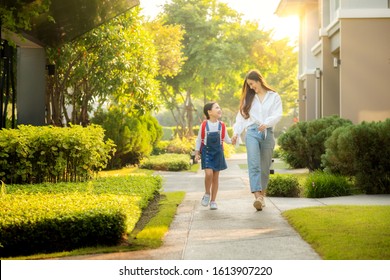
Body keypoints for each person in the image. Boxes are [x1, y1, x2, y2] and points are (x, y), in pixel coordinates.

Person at [232, 69, 282, 211]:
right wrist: (236, 133)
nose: (251, 87)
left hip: (267, 132)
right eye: (249, 85)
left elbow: (278, 114)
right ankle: (257, 197)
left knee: (265, 167)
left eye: (252, 84)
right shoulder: (249, 98)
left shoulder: (274, 96)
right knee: (254, 164)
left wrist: (267, 123)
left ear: (259, 80)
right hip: (252, 132)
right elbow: (240, 118)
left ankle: (262, 197)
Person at [195, 102, 232, 210]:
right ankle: (207, 193)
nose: (219, 109)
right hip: (207, 152)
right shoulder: (204, 125)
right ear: (209, 112)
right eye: (216, 108)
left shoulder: (222, 125)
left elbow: (227, 140)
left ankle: (213, 201)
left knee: (215, 178)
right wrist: (197, 153)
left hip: (218, 153)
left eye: (219, 107)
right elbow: (199, 140)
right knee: (209, 173)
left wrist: (233, 139)